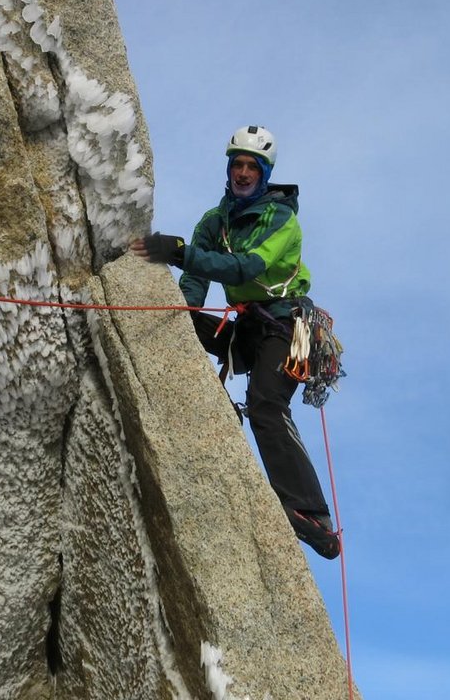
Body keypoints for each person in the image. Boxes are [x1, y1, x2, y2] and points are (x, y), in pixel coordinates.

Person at [131, 125, 341, 559]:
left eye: (252, 167)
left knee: (267, 403)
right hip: (247, 329)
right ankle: (213, 406)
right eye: (237, 165)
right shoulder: (215, 221)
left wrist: (179, 252)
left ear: (265, 174)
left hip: (285, 327)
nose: (243, 173)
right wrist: (182, 311)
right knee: (180, 323)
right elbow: (196, 279)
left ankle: (312, 513)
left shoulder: (281, 219)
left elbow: (246, 267)